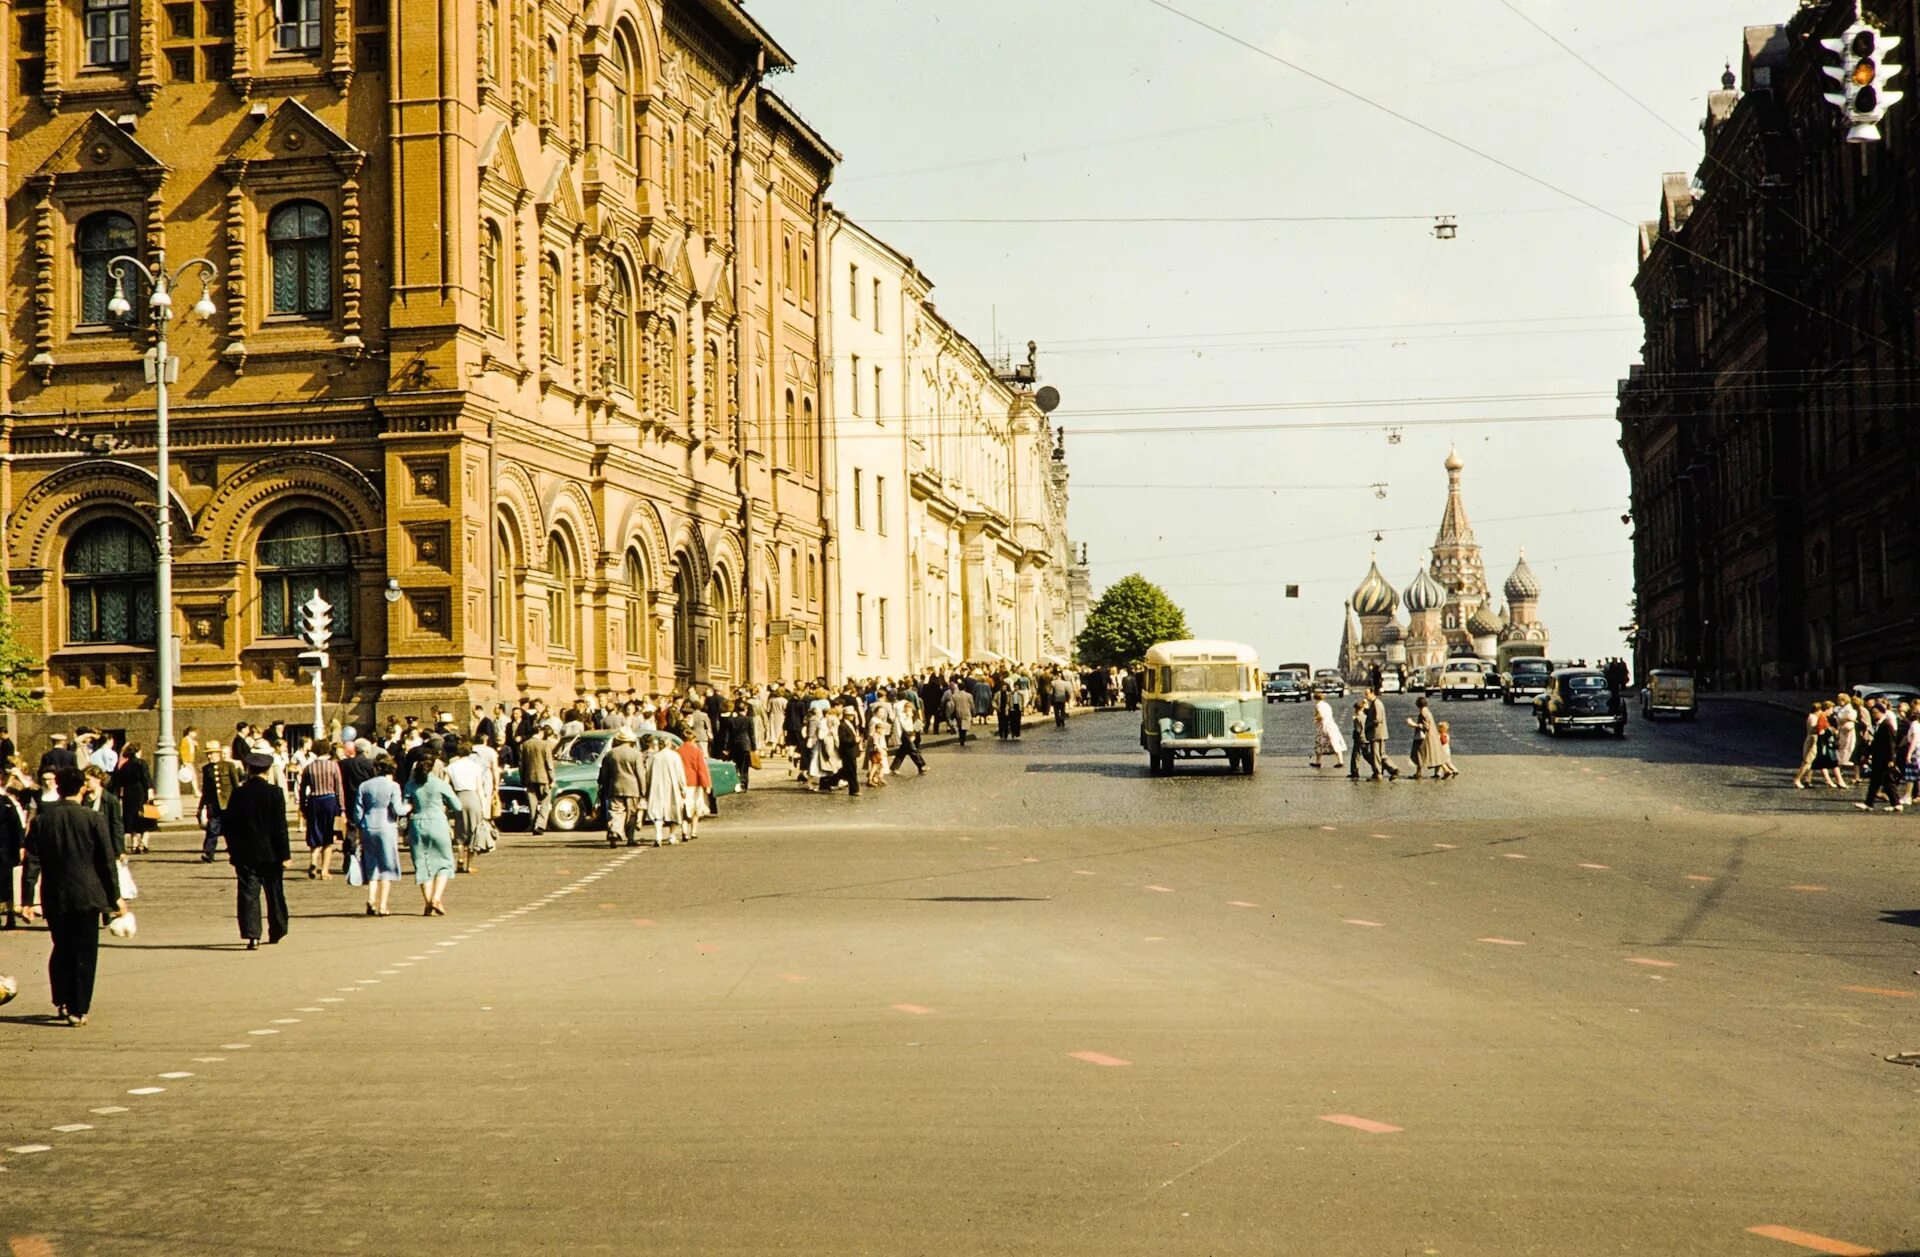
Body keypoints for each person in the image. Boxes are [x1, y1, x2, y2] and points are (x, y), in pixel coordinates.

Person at [33, 768, 125, 1025]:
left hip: (54, 895)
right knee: (85, 952)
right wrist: (115, 897)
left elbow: (31, 860)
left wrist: (27, 900)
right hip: (87, 895)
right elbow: (106, 863)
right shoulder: (94, 818)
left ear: (59, 788)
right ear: (82, 788)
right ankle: (78, 1008)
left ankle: (61, 999)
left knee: (61, 947)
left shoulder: (42, 819)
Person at [225, 751, 291, 949]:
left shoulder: (238, 793)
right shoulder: (275, 793)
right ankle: (277, 929)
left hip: (245, 853)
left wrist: (233, 851)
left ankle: (252, 935)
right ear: (268, 770)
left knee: (248, 894)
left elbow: (229, 826)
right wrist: (285, 855)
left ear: (248, 770)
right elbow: (280, 827)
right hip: (271, 853)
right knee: (274, 892)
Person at [404, 753, 460, 915]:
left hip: (417, 823)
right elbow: (457, 806)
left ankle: (428, 902)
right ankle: (436, 898)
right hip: (438, 823)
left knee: (422, 863)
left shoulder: (411, 785)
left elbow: (405, 805)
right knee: (444, 862)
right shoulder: (440, 784)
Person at [354, 755, 408, 916]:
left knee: (371, 864)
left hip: (368, 826)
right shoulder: (393, 786)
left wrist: (360, 825)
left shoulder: (364, 786)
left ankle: (371, 899)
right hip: (387, 826)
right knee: (387, 866)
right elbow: (398, 809)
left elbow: (358, 812)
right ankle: (383, 905)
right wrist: (408, 807)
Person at [298, 740, 345, 879]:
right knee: (328, 837)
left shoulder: (309, 768)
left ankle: (313, 862)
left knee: (314, 834)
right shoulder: (333, 766)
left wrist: (303, 806)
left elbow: (302, 789)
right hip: (330, 801)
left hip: (314, 801)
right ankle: (324, 871)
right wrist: (342, 807)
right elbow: (339, 788)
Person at [598, 727, 647, 848]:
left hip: (615, 786)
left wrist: (604, 785)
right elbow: (640, 774)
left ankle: (614, 831)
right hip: (633, 788)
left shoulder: (611, 754)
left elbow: (604, 774)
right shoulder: (636, 754)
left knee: (616, 811)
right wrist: (643, 790)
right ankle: (630, 838)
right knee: (632, 813)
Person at [198, 743, 240, 863]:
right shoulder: (207, 769)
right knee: (212, 830)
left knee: (230, 831)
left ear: (218, 753)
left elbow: (236, 786)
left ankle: (235, 853)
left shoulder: (229, 766)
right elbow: (206, 789)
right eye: (208, 754)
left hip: (228, 805)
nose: (209, 756)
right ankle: (208, 853)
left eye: (211, 753)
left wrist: (238, 804)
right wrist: (201, 806)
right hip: (214, 805)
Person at [645, 734, 691, 846]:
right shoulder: (675, 756)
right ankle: (671, 835)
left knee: (657, 811)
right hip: (672, 786)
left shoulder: (653, 757)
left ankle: (658, 836)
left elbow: (648, 774)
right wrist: (683, 787)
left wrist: (647, 788)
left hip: (656, 786)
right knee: (673, 810)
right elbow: (680, 774)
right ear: (669, 744)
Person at [1856, 702, 1901, 813]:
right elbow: (1875, 743)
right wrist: (1866, 754)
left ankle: (1869, 804)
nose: (1873, 715)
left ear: (1882, 712)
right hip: (1879, 758)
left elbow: (1891, 743)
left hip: (1884, 759)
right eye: (1873, 713)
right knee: (1887, 782)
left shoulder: (1886, 725)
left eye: (1875, 713)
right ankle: (1896, 804)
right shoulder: (1879, 725)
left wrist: (1891, 759)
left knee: (1877, 781)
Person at [111, 743, 154, 854]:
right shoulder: (141, 763)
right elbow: (146, 779)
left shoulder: (124, 766)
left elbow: (118, 782)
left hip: (128, 795)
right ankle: (143, 843)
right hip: (141, 793)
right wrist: (150, 791)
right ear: (138, 751)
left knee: (132, 819)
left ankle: (134, 845)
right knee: (146, 818)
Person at [519, 721, 556, 833]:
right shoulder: (545, 745)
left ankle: (532, 823)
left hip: (529, 777)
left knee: (532, 803)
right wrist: (552, 778)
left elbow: (521, 765)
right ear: (540, 732)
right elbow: (549, 764)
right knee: (545, 801)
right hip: (543, 777)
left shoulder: (524, 745)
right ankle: (539, 825)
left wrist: (523, 779)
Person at [716, 699, 755, 793]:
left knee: (736, 765)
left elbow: (727, 736)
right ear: (745, 710)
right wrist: (754, 747)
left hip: (734, 746)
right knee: (744, 767)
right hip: (745, 745)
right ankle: (744, 784)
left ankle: (737, 783)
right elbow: (752, 734)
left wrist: (726, 748)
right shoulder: (749, 720)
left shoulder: (731, 720)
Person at [1364, 689, 1399, 782]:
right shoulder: (1374, 703)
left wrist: (1367, 726)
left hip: (1377, 733)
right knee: (1380, 754)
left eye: (1367, 694)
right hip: (1377, 733)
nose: (1366, 696)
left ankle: (1379, 773)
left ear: (1372, 693)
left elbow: (1377, 719)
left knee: (1377, 754)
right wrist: (1365, 710)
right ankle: (1392, 770)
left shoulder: (1377, 704)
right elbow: (1372, 715)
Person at [1310, 692, 1347, 771]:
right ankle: (1340, 761)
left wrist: (1316, 719)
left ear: (1315, 699)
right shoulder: (1327, 705)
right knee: (1335, 742)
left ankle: (1318, 762)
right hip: (1331, 725)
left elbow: (1320, 716)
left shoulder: (1318, 705)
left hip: (1324, 726)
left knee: (1319, 743)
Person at [1406, 696, 1439, 779]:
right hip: (1430, 736)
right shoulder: (1427, 711)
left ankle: (1418, 773)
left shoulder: (1423, 712)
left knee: (1419, 754)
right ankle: (1439, 772)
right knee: (1434, 754)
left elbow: (1425, 726)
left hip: (1424, 737)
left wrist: (1413, 724)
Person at [1348, 700, 1368, 781]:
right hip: (1366, 738)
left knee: (1356, 756)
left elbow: (1357, 730)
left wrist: (1354, 721)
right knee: (1367, 755)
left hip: (1359, 739)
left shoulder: (1357, 718)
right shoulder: (1366, 717)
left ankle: (1355, 772)